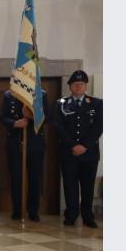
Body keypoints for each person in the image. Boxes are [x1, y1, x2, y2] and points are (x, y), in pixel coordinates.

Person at [53, 70, 102, 228]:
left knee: (88, 186)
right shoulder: (61, 103)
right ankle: (71, 214)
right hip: (68, 153)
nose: (78, 86)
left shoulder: (97, 103)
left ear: (86, 86)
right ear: (70, 87)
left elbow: (99, 127)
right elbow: (58, 126)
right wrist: (73, 145)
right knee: (70, 185)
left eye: (81, 84)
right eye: (75, 84)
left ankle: (88, 216)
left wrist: (84, 146)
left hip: (89, 153)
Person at [1, 90, 49, 221]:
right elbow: (3, 117)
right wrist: (15, 123)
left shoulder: (41, 94)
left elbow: (48, 118)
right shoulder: (9, 95)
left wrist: (32, 116)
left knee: (34, 179)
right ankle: (17, 210)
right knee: (16, 178)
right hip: (15, 144)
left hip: (35, 144)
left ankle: (33, 211)